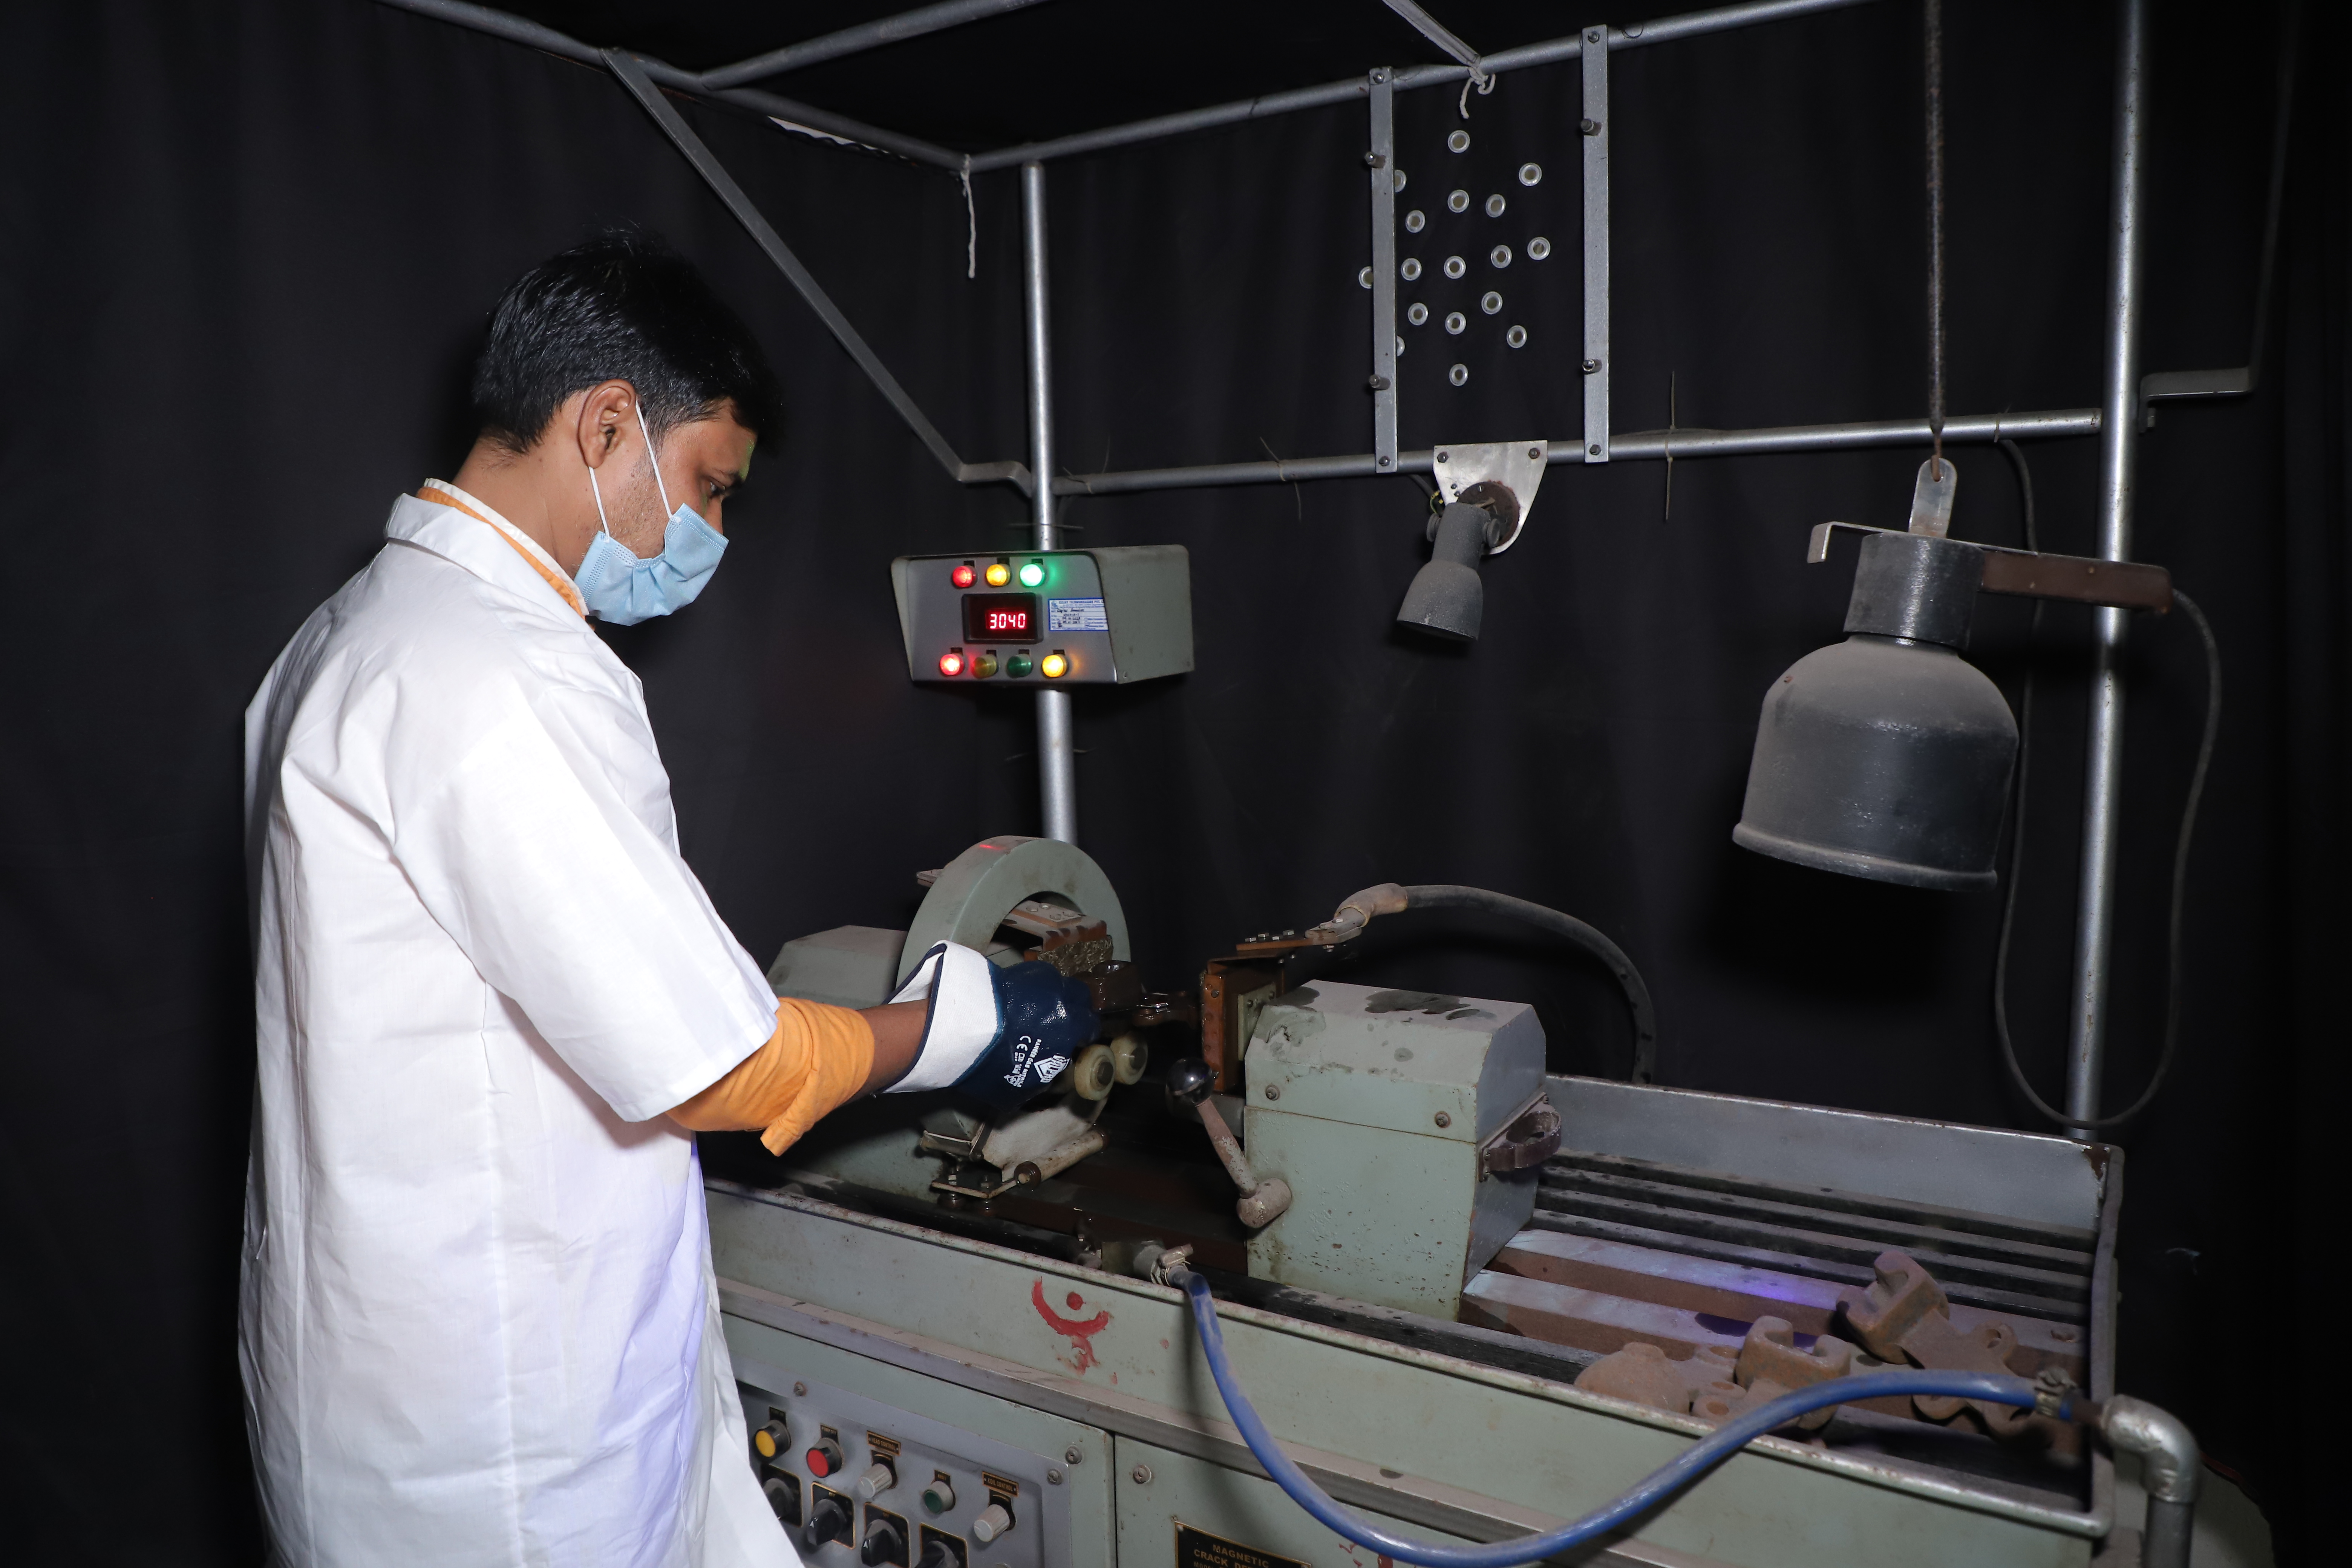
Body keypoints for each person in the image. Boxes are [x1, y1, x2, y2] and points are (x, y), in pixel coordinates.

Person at [240, 230, 1095, 1567]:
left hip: (380, 1389)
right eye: (708, 485)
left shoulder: (345, 634)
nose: (712, 535)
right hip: (504, 1443)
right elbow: (726, 1069)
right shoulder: (494, 673)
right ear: (606, 425)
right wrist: (962, 1028)